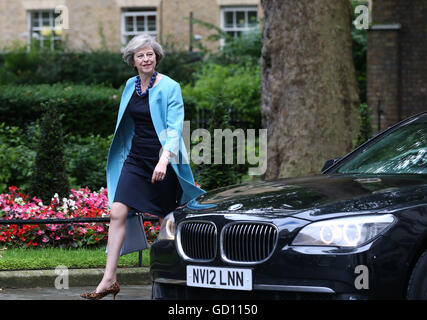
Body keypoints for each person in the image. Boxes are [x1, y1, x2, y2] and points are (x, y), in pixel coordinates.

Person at [81, 33, 205, 300]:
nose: (146, 59)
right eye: (140, 55)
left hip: (163, 160)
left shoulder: (170, 87)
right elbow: (126, 124)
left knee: (164, 222)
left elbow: (174, 129)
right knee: (117, 212)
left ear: (156, 57)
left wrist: (164, 160)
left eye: (150, 54)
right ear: (133, 61)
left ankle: (172, 279)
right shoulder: (130, 86)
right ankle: (109, 279)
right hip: (136, 160)